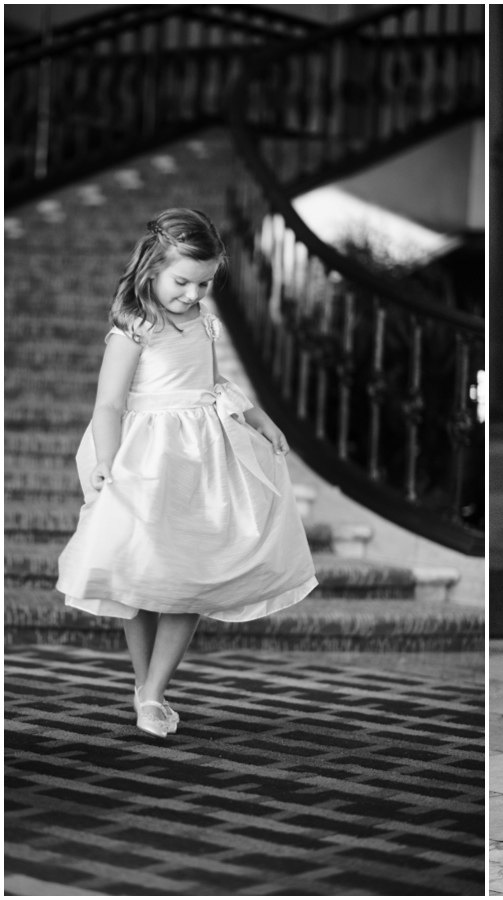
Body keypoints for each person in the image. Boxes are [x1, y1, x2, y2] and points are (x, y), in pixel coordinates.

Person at [57, 208, 318, 739]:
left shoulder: (204, 322)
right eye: (183, 282)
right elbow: (108, 405)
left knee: (194, 572)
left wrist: (259, 418)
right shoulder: (134, 330)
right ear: (151, 268)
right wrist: (106, 461)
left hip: (203, 457)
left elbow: (215, 383)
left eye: (204, 283)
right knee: (139, 572)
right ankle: (142, 682)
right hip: (147, 462)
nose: (194, 294)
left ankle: (155, 692)